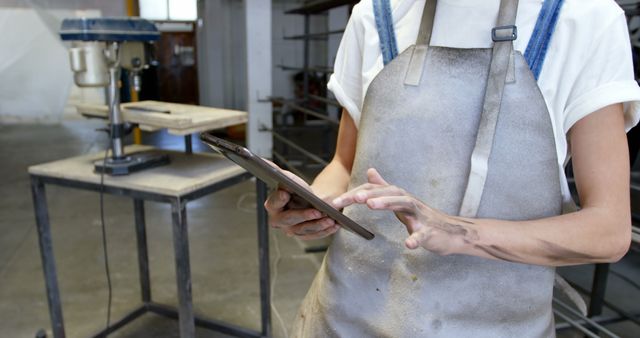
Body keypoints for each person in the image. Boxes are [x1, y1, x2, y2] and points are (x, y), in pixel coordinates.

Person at [265, 0, 640, 336]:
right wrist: (315, 203)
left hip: (498, 324)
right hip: (344, 317)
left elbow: (607, 230)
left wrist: (457, 232)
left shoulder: (584, 18)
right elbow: (344, 164)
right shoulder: (375, 14)